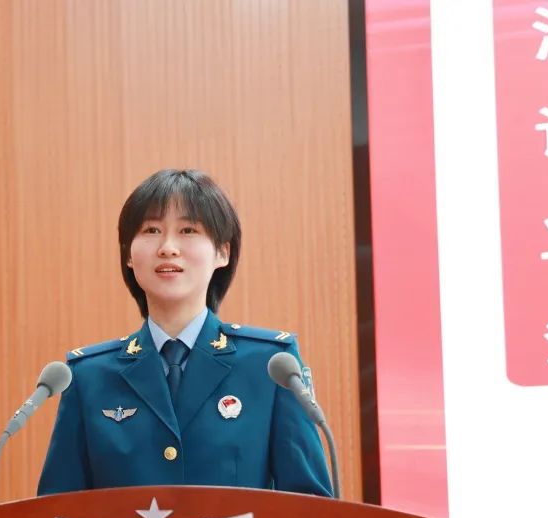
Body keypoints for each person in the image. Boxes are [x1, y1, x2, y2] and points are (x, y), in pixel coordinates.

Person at [37, 169, 332, 497]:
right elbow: (56, 512)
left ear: (222, 252)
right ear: (128, 255)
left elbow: (311, 510)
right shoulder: (88, 376)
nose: (168, 248)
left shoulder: (271, 366)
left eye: (188, 230)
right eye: (151, 230)